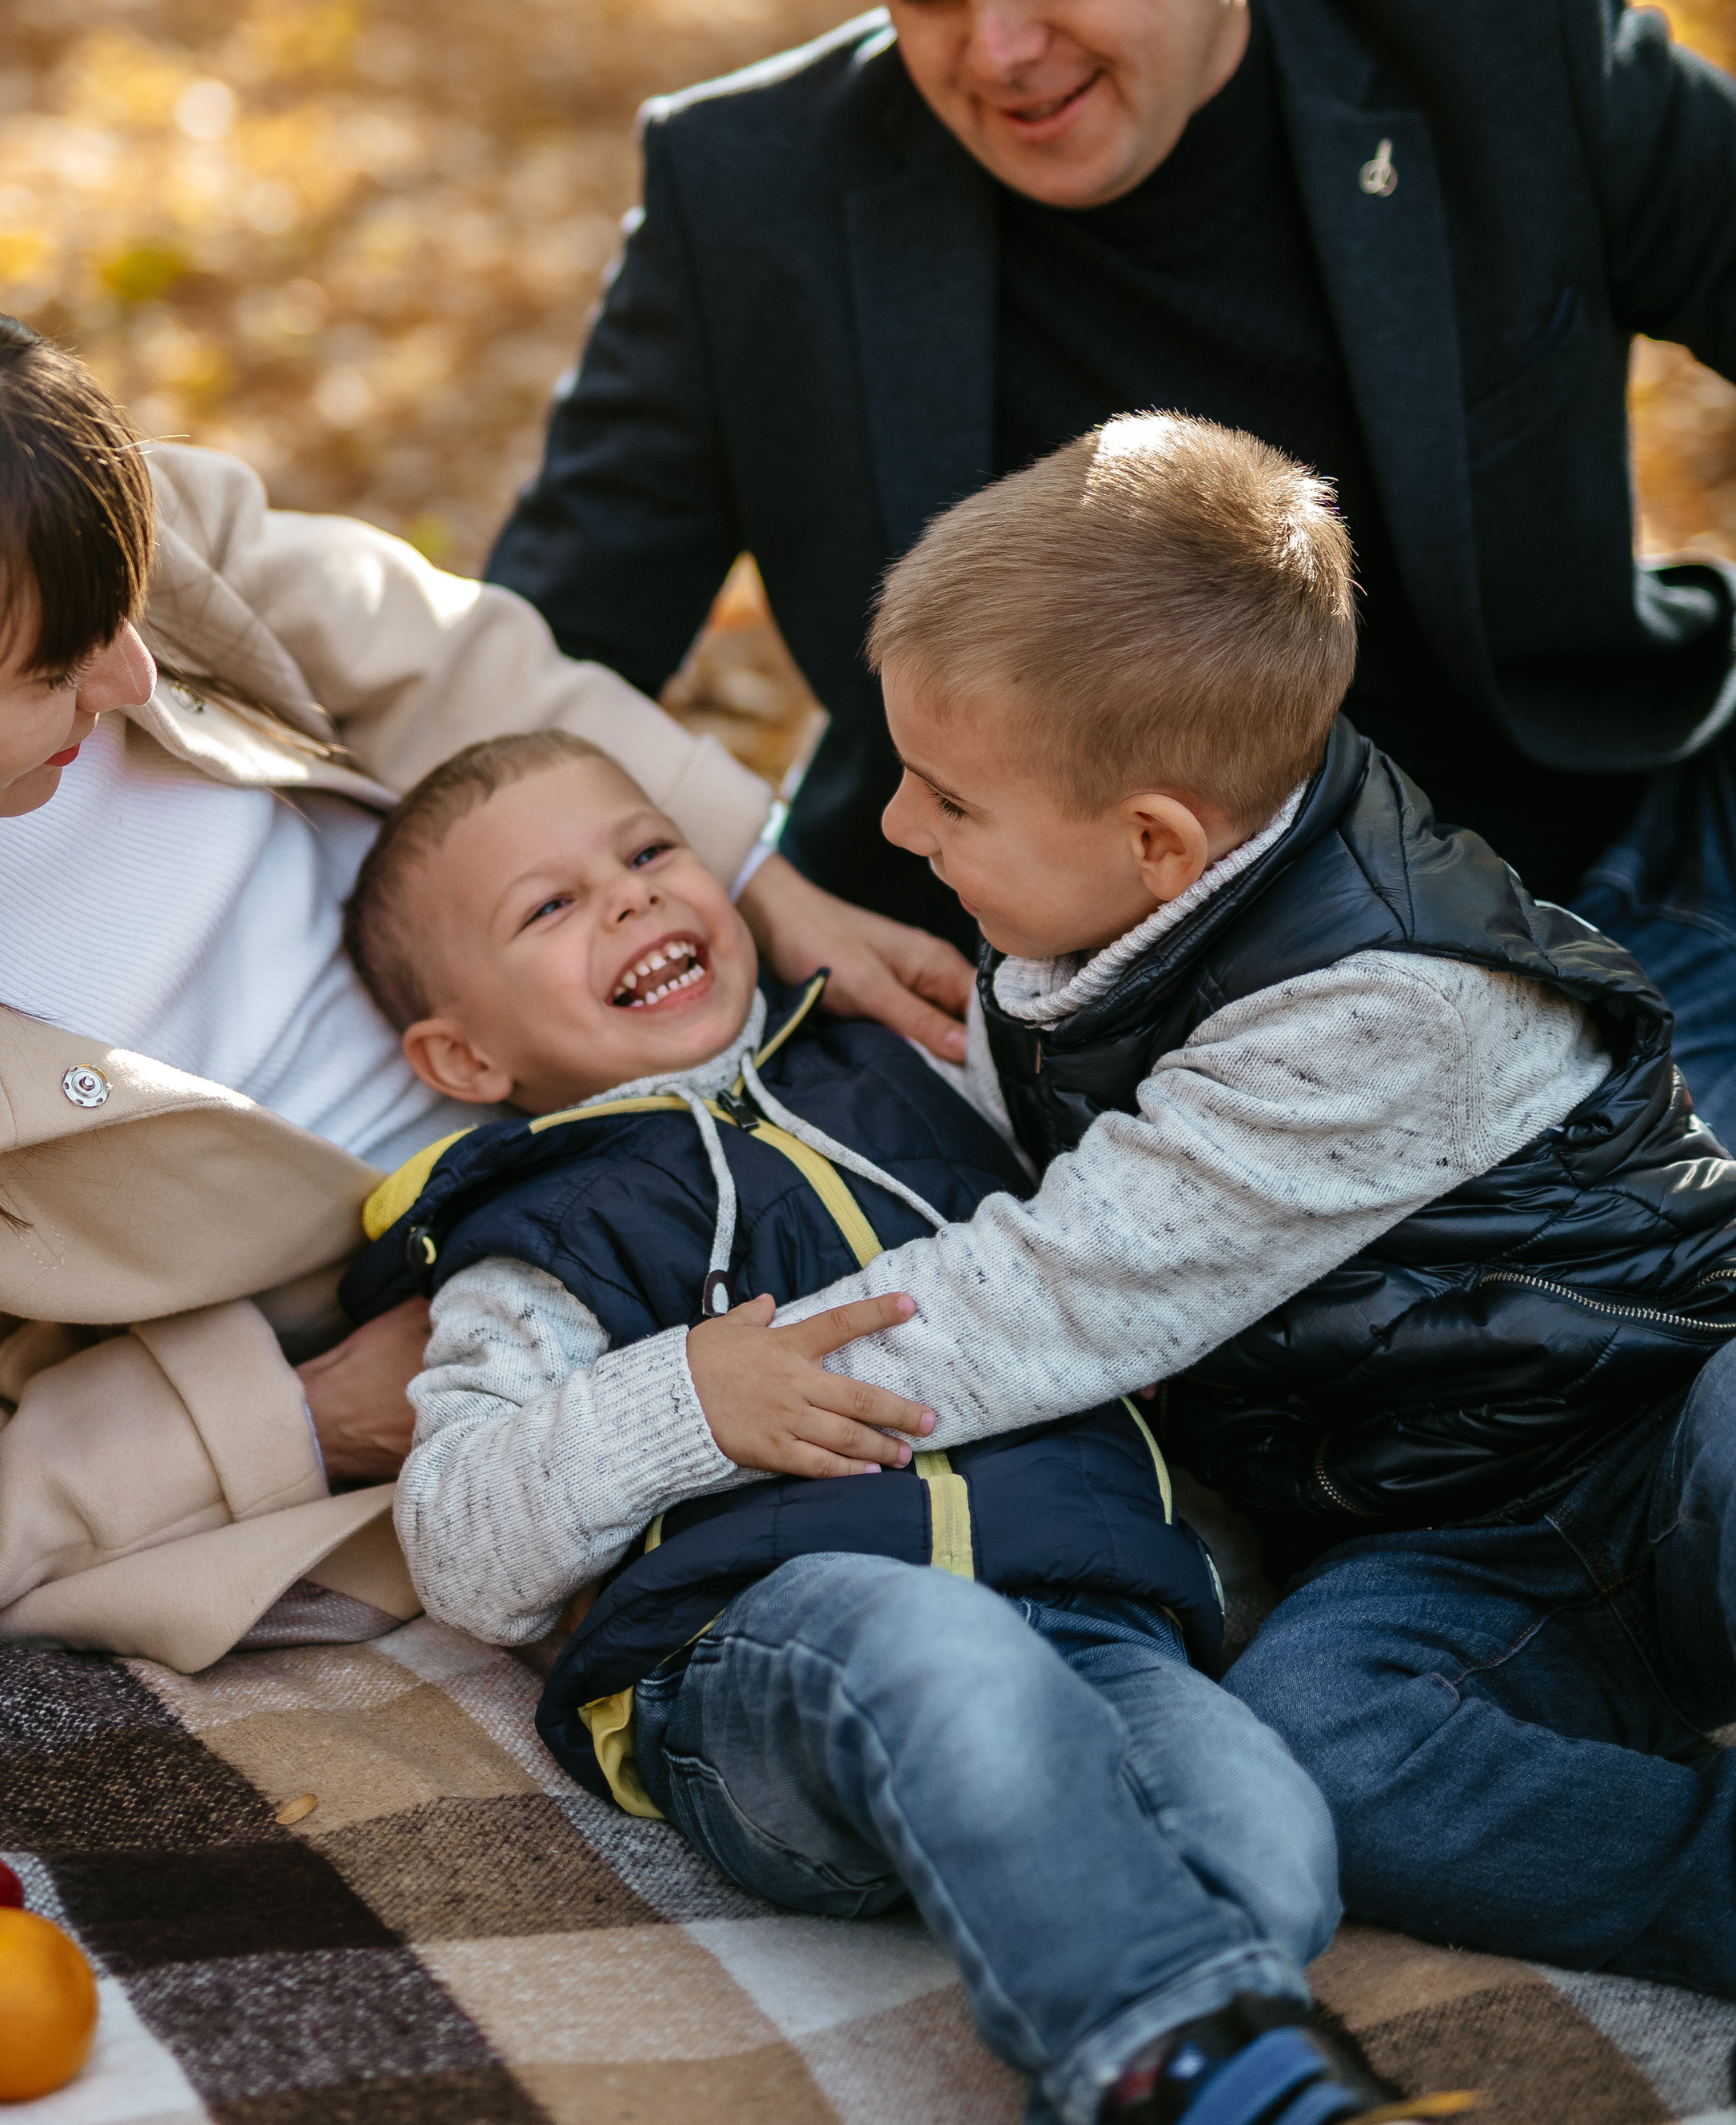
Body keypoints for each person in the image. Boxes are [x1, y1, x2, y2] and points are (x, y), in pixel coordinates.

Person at [0, 239, 959, 1787]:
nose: (135, 671)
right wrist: (299, 1416)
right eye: (46, 673)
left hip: (682, 1051)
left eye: (125, 601)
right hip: (470, 1312)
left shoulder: (45, 531)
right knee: (874, 1618)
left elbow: (439, 655)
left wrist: (760, 872)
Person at [498, 414, 1736, 1996]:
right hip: (1444, 1535)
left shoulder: (1379, 1006)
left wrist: (683, 1409)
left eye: (943, 801)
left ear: (1154, 843)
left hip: (1664, 1412)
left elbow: (1037, 1300)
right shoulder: (1095, 924)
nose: (890, 831)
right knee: (1323, 1750)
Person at [485, 0, 1736, 1150]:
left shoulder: (1500, 38)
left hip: (1593, 903)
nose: (993, 52)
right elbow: (527, 667)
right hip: (1056, 1020)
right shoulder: (749, 203)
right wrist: (757, 888)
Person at [335, 729, 1455, 2125]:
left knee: (1269, 1838)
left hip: (1093, 1616)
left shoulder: (911, 1060)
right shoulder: (540, 1232)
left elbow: (1122, 1233)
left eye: (648, 852)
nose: (629, 899)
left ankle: (1159, 2049)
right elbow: (454, 1542)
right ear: (462, 1052)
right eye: (550, 907)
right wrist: (689, 1399)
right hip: (776, 1661)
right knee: (942, 1656)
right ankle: (1201, 2071)